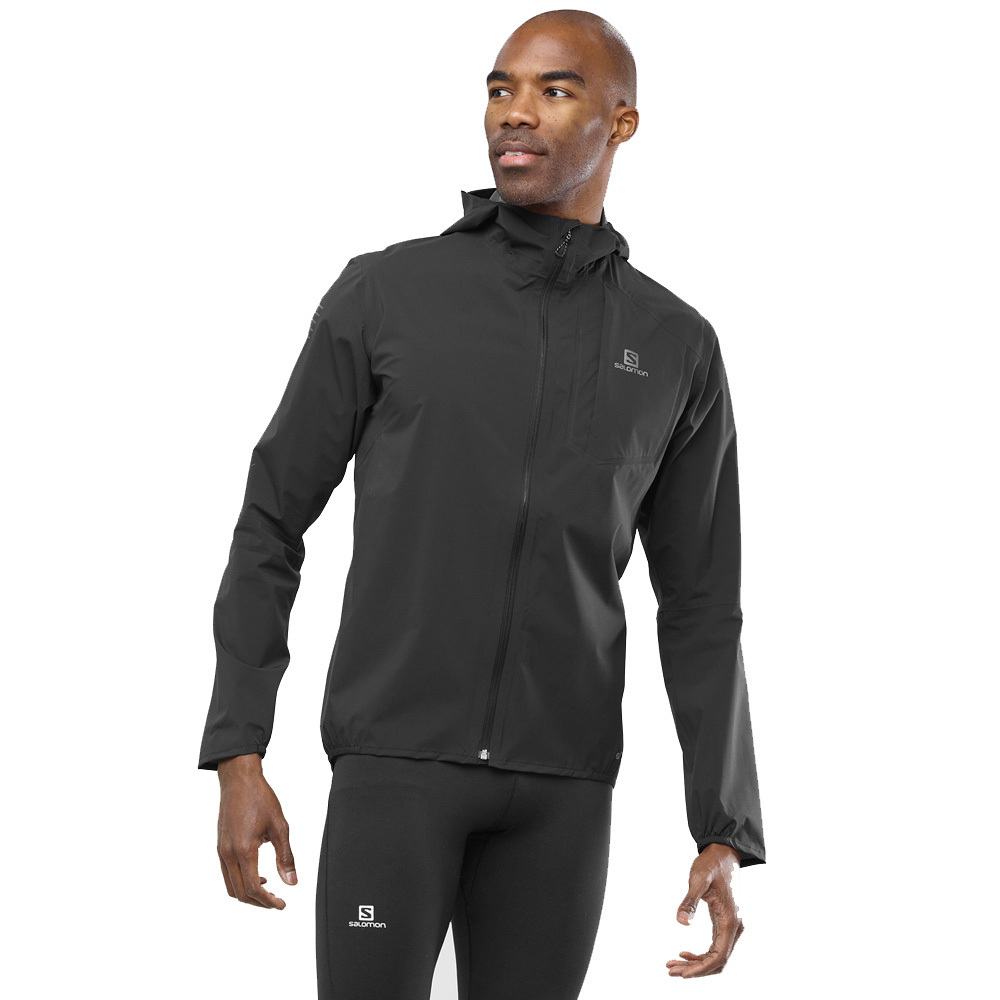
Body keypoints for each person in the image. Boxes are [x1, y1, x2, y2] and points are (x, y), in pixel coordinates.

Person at [199, 9, 766, 997]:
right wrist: (239, 749)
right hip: (394, 772)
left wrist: (723, 826)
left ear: (622, 122)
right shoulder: (388, 294)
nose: (515, 112)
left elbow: (702, 605)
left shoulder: (675, 345)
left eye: (554, 90)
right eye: (500, 88)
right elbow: (271, 521)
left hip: (562, 793)